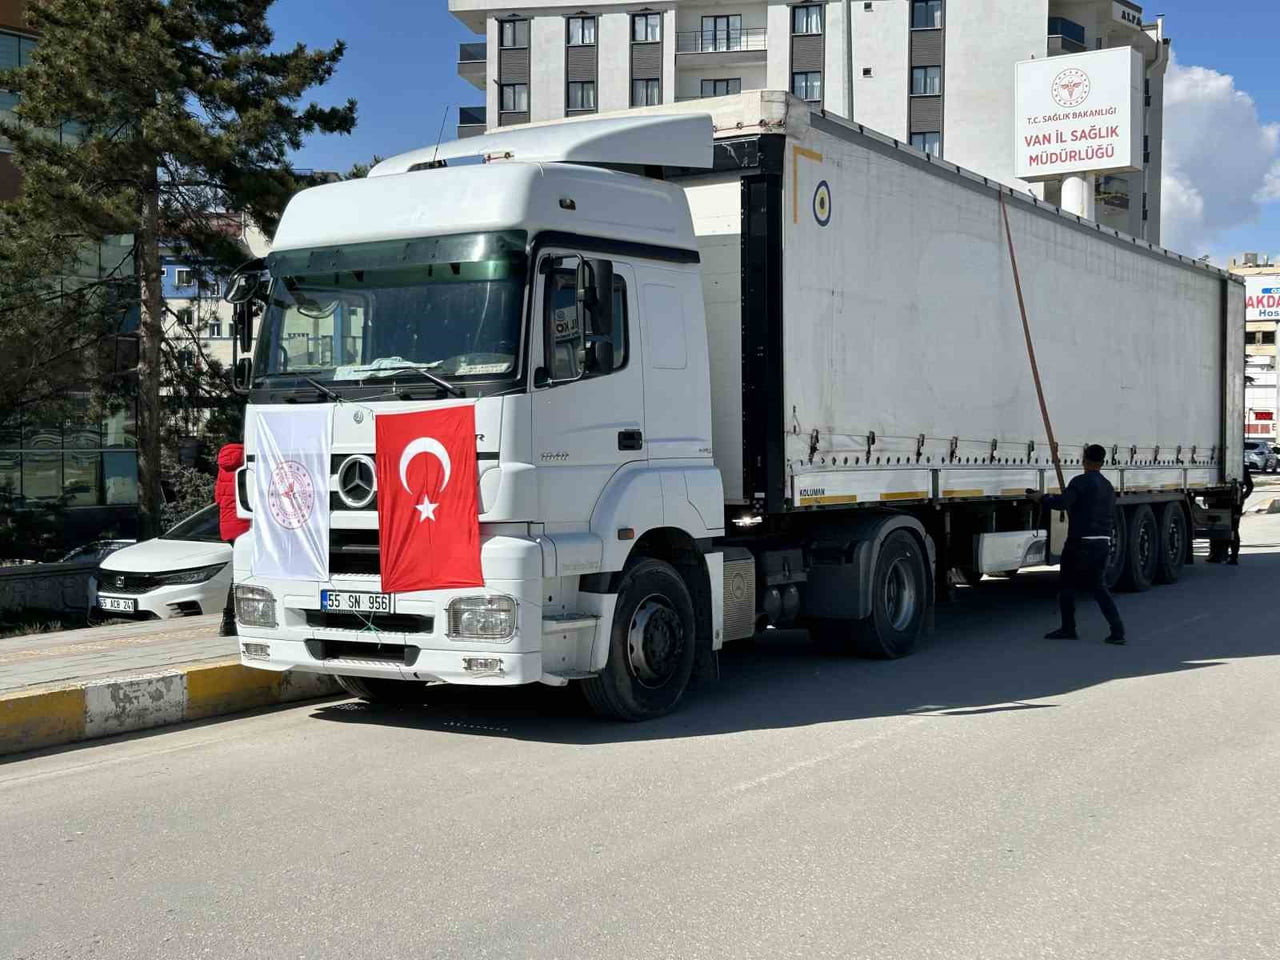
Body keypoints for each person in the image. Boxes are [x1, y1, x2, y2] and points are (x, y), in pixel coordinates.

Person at [1027, 444, 1126, 645]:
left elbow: (1062, 503)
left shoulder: (1080, 482)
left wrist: (1041, 497)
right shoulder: (1107, 486)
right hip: (1102, 542)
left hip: (1079, 543)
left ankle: (1068, 628)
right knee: (1099, 587)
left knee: (1067, 586)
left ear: (1084, 460)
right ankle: (1117, 631)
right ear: (1102, 462)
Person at [214, 443, 251, 636]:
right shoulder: (249, 462)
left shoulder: (223, 468)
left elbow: (218, 498)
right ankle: (229, 620)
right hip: (245, 525)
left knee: (240, 571)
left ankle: (229, 621)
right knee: (241, 573)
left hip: (227, 526)